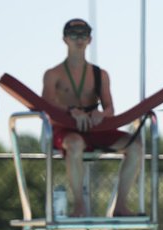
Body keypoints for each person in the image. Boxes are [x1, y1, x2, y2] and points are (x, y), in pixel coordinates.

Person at [41, 18, 142, 217]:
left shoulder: (99, 74)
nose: (79, 38)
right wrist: (71, 111)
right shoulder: (53, 74)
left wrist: (100, 114)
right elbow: (47, 106)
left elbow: (110, 108)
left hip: (94, 129)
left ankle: (120, 207)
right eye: (74, 34)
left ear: (90, 39)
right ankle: (80, 206)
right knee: (75, 144)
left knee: (135, 145)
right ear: (65, 39)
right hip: (65, 130)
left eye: (83, 34)